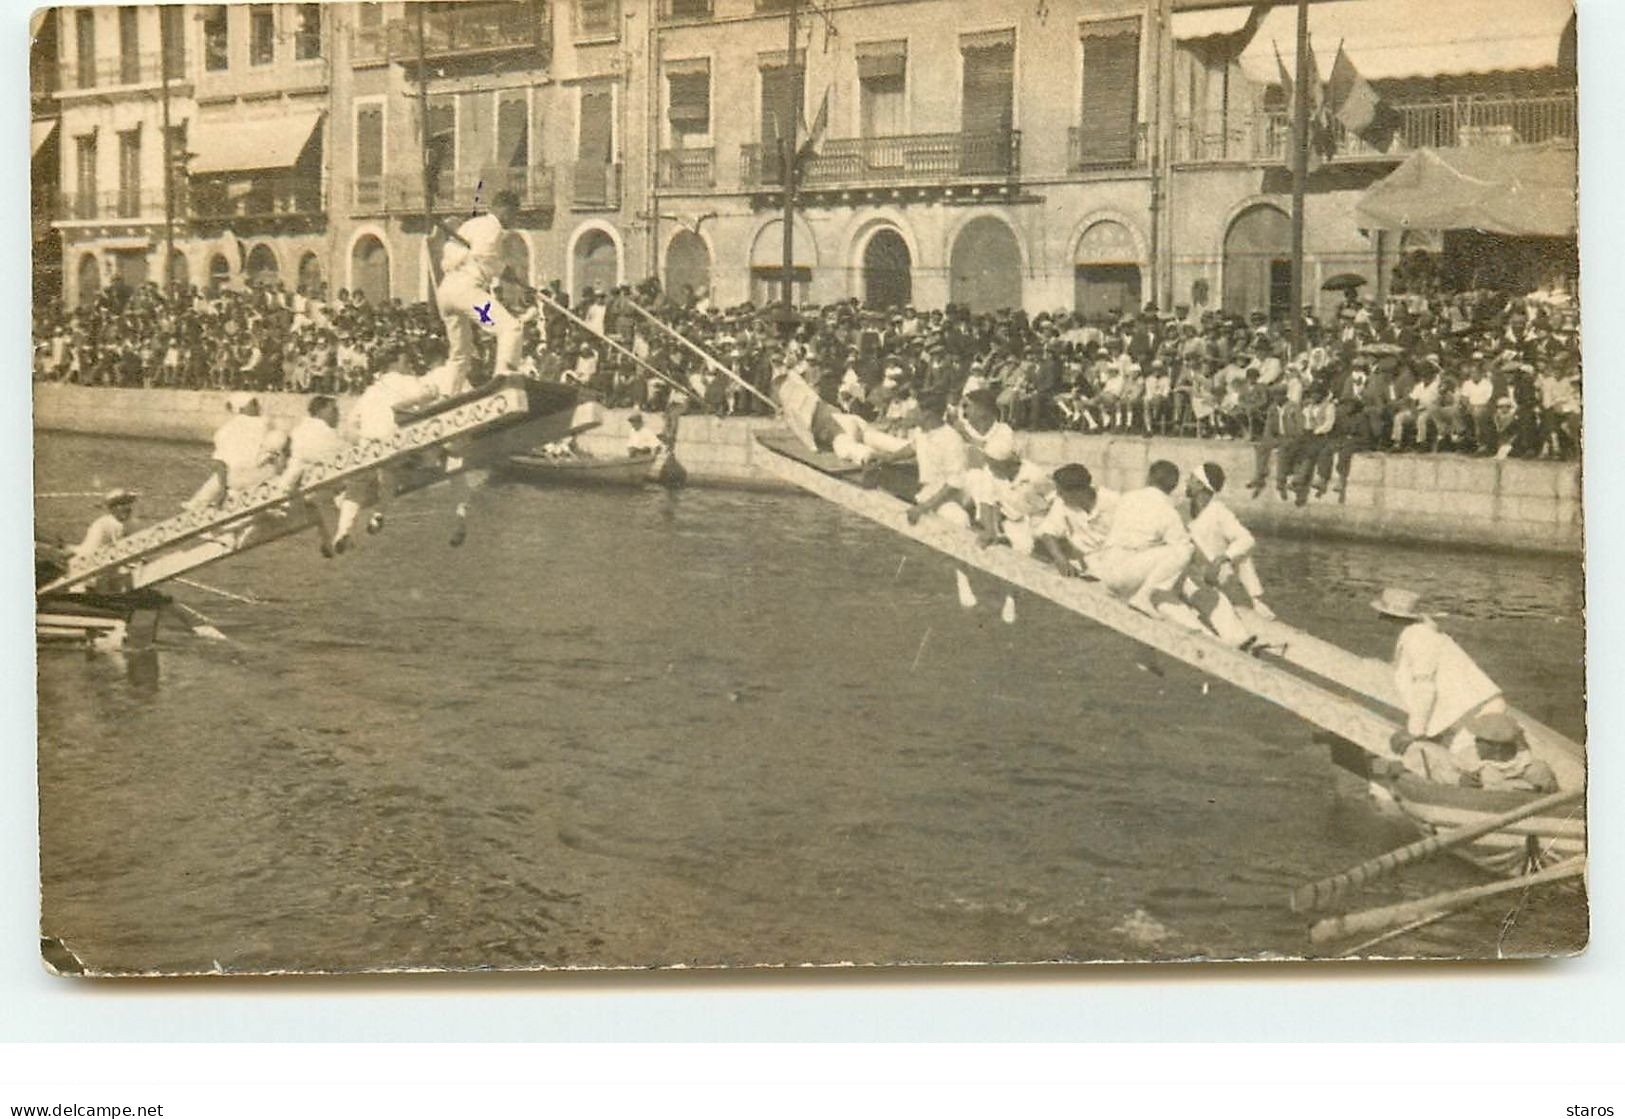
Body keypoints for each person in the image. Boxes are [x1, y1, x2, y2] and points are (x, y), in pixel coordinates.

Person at [1372, 587, 1512, 776]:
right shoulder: (1416, 634)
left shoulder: (1419, 638)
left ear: (1393, 617)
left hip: (1477, 714)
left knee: (1463, 769)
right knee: (1459, 763)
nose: (1379, 619)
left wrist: (1414, 732)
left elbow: (1425, 688)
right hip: (1472, 710)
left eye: (1383, 614)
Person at [435, 189, 523, 389]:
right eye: (514, 214)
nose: (514, 220)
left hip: (447, 295)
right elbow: (484, 257)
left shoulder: (471, 225)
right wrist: (504, 271)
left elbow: (450, 254)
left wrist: (500, 270)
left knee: (460, 354)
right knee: (510, 328)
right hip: (466, 294)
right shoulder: (493, 227)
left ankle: (449, 395)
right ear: (505, 210)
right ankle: (504, 380)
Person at [1088, 460, 1196, 620]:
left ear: (1149, 478)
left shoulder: (1127, 497)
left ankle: (1149, 597)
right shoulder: (1169, 511)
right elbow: (1181, 549)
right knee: (1184, 550)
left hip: (1106, 568)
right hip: (1126, 576)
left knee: (1165, 588)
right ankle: (1143, 597)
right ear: (1173, 486)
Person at [1185, 462, 1276, 620]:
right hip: (1194, 574)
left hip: (1216, 575)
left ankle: (1255, 601)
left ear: (1200, 485)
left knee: (1241, 552)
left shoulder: (1219, 511)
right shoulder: (1184, 509)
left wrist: (1222, 558)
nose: (1187, 482)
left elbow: (1247, 539)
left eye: (1191, 479)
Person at [275, 395, 361, 557]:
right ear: (320, 411)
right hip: (320, 479)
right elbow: (339, 453)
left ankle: (331, 540)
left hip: (302, 481)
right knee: (346, 491)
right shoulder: (323, 431)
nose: (337, 414)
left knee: (322, 502)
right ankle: (338, 536)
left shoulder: (300, 429)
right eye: (333, 410)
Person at [184, 392, 288, 511]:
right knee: (278, 444)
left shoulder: (224, 430)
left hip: (234, 480)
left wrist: (223, 488)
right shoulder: (265, 423)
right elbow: (282, 445)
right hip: (261, 476)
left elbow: (219, 463)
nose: (259, 407)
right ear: (242, 408)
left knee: (219, 476)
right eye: (254, 404)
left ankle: (198, 503)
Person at [1035, 464, 1118, 578]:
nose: (1058, 495)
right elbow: (1047, 532)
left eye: (1061, 491)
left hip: (1112, 565)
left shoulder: (1114, 502)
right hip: (1081, 563)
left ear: (1078, 492)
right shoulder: (1062, 503)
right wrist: (1061, 559)